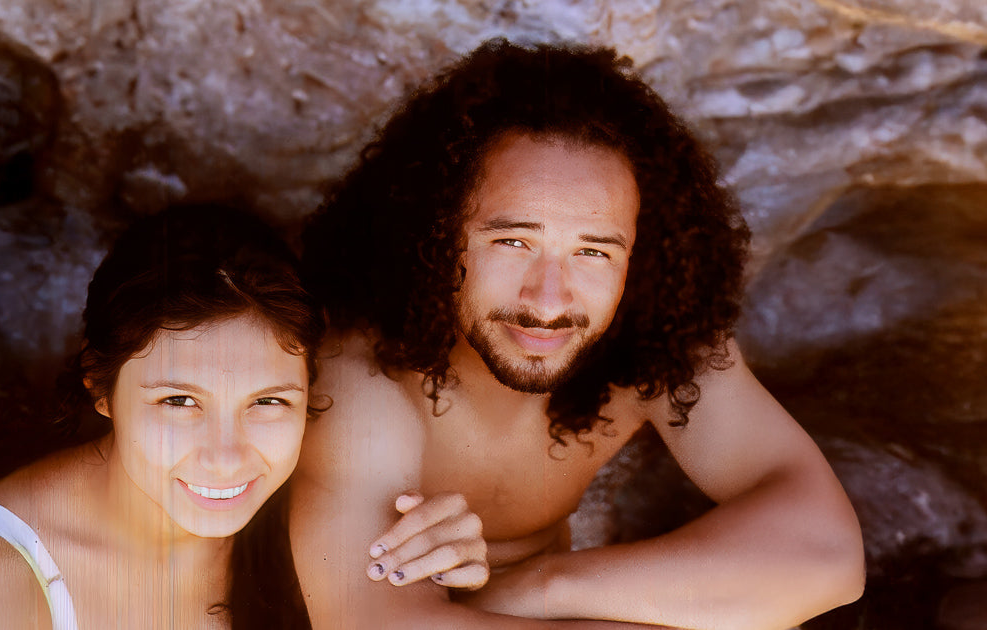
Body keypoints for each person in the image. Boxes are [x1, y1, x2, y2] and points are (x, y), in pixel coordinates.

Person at [291, 39, 865, 629]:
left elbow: (828, 555)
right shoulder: (362, 372)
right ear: (433, 235)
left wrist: (543, 585)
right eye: (513, 242)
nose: (549, 300)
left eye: (593, 252)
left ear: (639, 258)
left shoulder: (656, 341)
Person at [0, 203, 489, 629]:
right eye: (179, 402)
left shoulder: (322, 503)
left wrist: (457, 579)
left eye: (268, 402)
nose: (226, 457)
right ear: (100, 387)